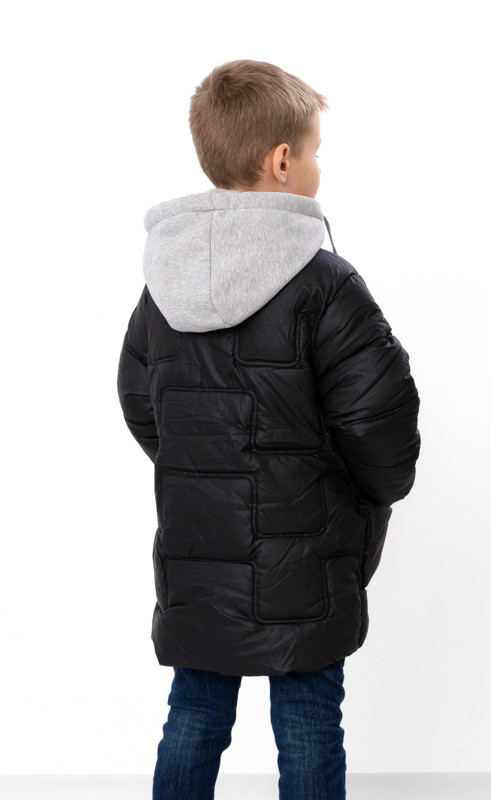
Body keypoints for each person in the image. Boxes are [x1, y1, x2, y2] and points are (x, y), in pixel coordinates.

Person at [117, 59, 421, 800]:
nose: (318, 167)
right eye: (315, 151)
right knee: (309, 722)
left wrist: (205, 471)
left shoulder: (161, 292)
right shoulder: (325, 284)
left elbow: (140, 403)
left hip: (198, 550)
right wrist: (370, 494)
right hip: (306, 556)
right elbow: (377, 418)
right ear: (282, 161)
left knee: (194, 713)